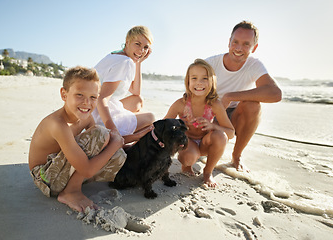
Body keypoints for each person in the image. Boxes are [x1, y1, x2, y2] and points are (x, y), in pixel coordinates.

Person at [28, 66, 126, 213]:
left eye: (93, 97)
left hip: (64, 168)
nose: (87, 103)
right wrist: (116, 143)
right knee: (101, 135)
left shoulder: (85, 117)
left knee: (119, 155)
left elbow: (102, 145)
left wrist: (124, 142)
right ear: (64, 94)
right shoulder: (57, 124)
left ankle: (72, 184)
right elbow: (87, 169)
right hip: (46, 178)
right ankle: (70, 192)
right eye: (79, 95)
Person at [205, 20, 282, 172]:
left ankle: (236, 156)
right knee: (195, 152)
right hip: (208, 113)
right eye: (235, 42)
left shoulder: (254, 65)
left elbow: (275, 93)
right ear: (229, 42)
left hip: (233, 116)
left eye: (246, 44)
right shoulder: (211, 64)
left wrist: (229, 96)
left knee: (253, 105)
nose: (239, 48)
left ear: (254, 47)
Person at [164, 59, 235, 188]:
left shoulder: (215, 104)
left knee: (221, 136)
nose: (199, 83)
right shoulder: (181, 103)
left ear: (212, 81)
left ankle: (208, 172)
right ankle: (186, 166)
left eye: (204, 78)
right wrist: (176, 127)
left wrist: (213, 126)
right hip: (187, 142)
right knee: (189, 158)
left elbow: (230, 133)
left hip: (205, 143)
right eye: (194, 78)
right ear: (188, 81)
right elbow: (162, 126)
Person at [92, 25, 155, 144]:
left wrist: (139, 62)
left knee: (138, 100)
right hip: (97, 114)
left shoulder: (116, 55)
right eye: (137, 44)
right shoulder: (125, 63)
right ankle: (125, 143)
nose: (141, 50)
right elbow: (101, 98)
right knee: (150, 118)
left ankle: (128, 132)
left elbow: (136, 92)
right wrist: (112, 129)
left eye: (145, 47)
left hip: (91, 109)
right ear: (127, 42)